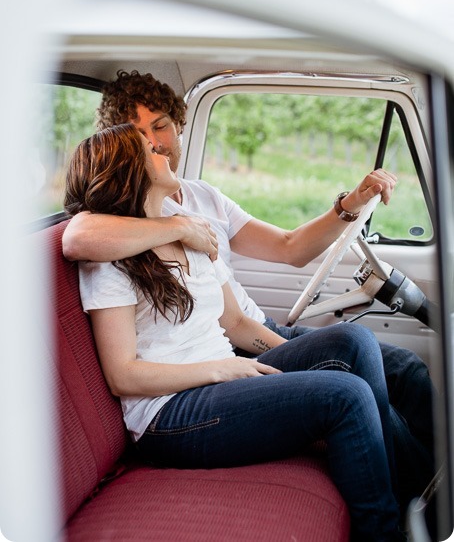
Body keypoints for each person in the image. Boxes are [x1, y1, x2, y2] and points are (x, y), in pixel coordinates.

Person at [62, 69, 435, 512]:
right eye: (142, 140)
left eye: (160, 127)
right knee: (346, 392)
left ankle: (424, 492)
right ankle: (397, 515)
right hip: (174, 406)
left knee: (357, 342)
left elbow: (241, 311)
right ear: (125, 163)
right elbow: (121, 367)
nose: (157, 145)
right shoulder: (113, 245)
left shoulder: (196, 220)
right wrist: (224, 368)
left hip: (226, 355)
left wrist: (349, 204)